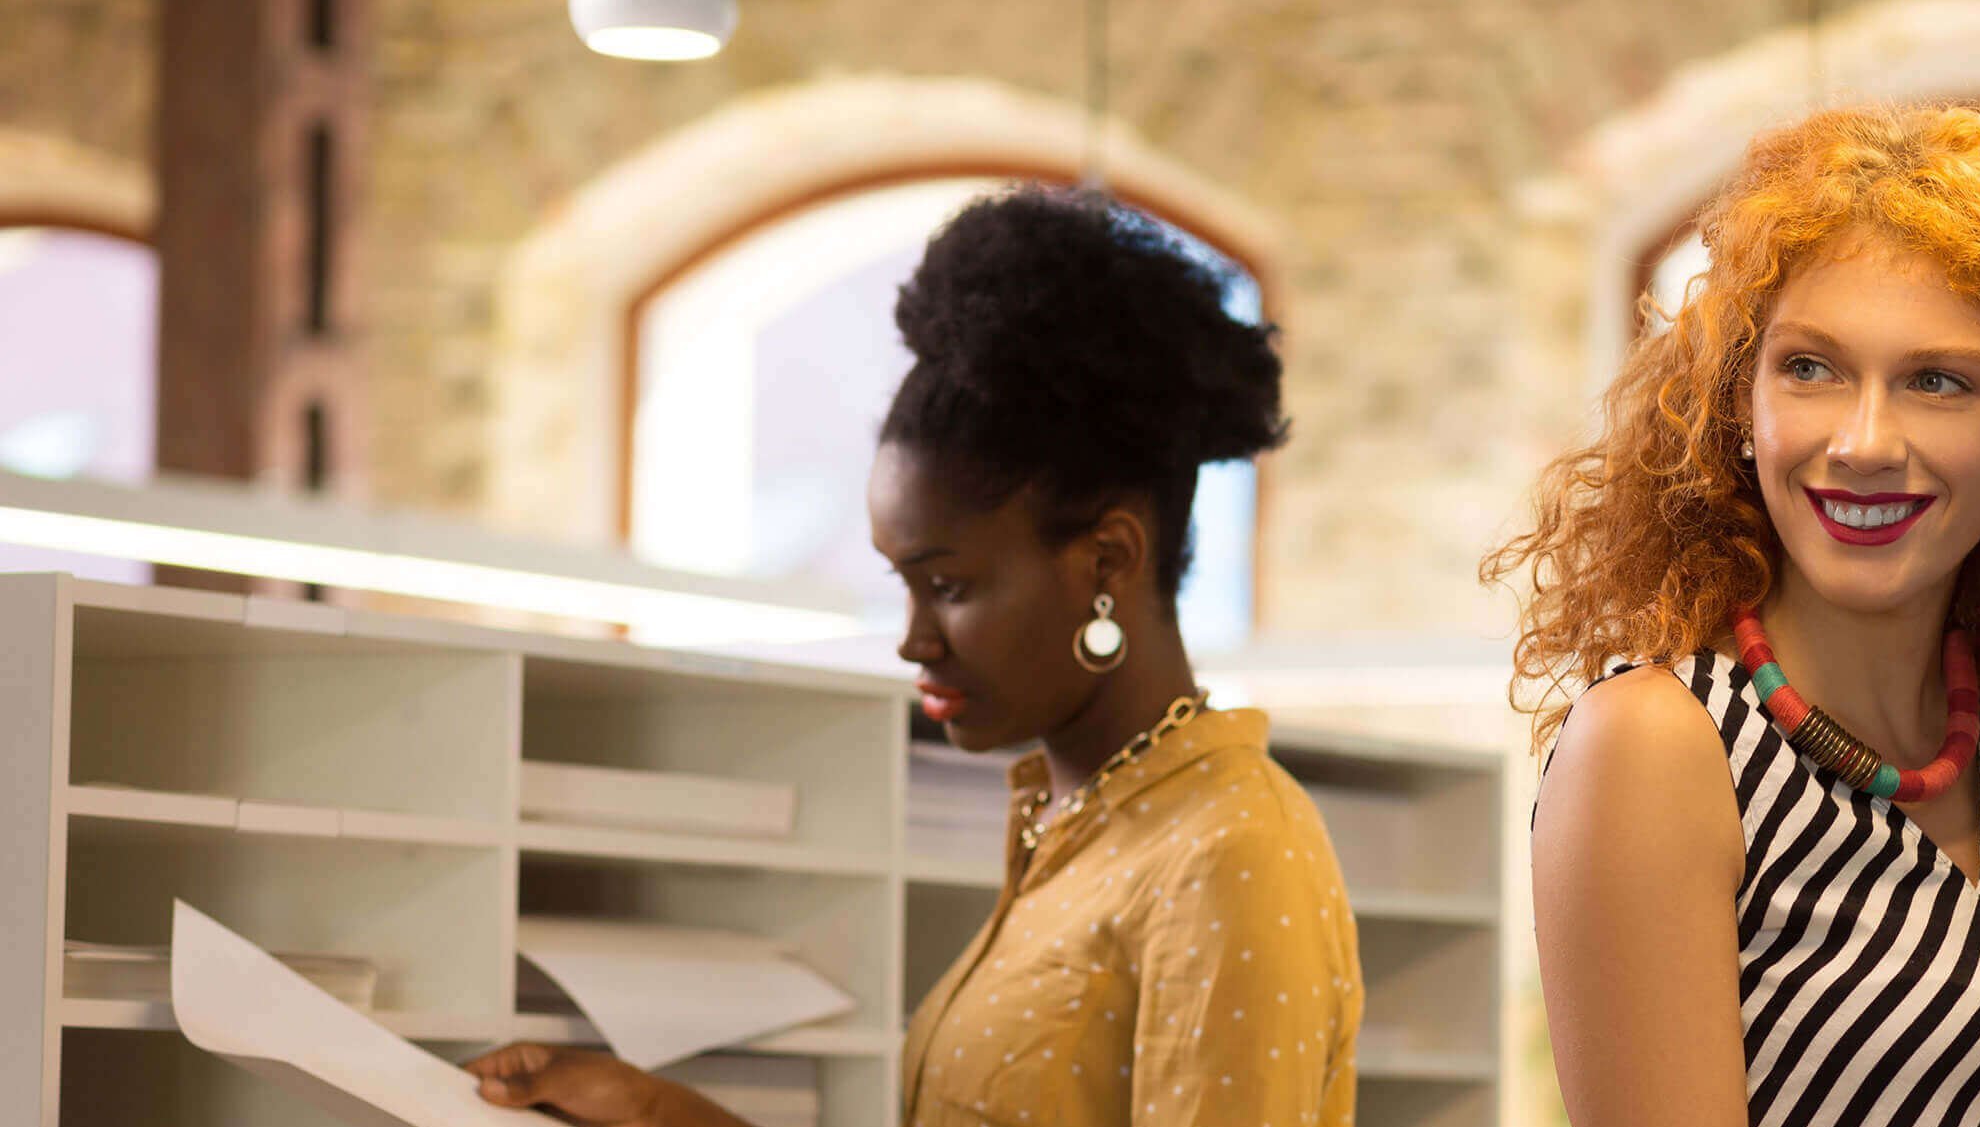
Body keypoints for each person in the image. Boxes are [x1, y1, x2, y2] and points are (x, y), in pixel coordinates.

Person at [468, 189, 1361, 1126]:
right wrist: (652, 1110)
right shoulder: (1080, 826)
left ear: (1108, 559)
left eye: (951, 586)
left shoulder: (1225, 853)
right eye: (903, 582)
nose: (914, 637)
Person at [1488, 103, 1980, 1127]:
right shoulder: (1661, 747)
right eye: (1811, 367)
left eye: (1937, 381)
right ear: (1741, 398)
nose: (1862, 440)